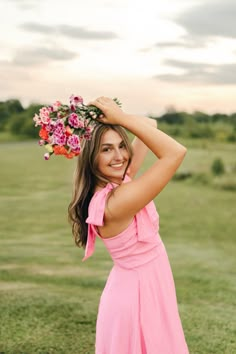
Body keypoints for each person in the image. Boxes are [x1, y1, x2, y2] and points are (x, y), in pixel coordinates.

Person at [68, 96, 189, 353]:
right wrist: (121, 119)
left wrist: (111, 118)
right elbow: (175, 153)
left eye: (122, 145)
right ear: (90, 157)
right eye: (106, 149)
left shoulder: (119, 184)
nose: (120, 156)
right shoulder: (118, 201)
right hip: (137, 297)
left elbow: (150, 124)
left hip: (141, 287)